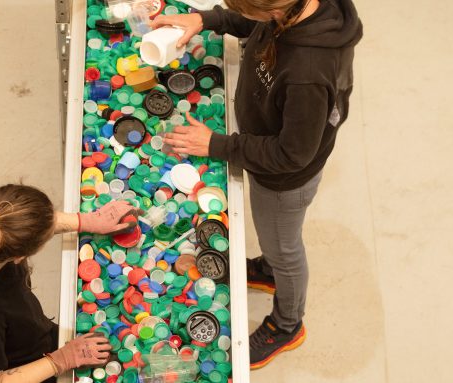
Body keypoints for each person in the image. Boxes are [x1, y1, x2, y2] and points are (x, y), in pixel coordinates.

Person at [153, 0, 362, 369]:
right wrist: (207, 19)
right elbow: (255, 25)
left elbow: (292, 154)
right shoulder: (301, 8)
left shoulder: (307, 73)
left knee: (284, 247)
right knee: (273, 238)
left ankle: (287, 324)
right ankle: (267, 268)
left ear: (275, 13)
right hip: (270, 144)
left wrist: (217, 145)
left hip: (283, 179)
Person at [0, 184, 141, 382]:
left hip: (24, 332)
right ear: (19, 257)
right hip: (19, 366)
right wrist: (61, 360)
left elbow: (20, 220)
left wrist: (84, 220)